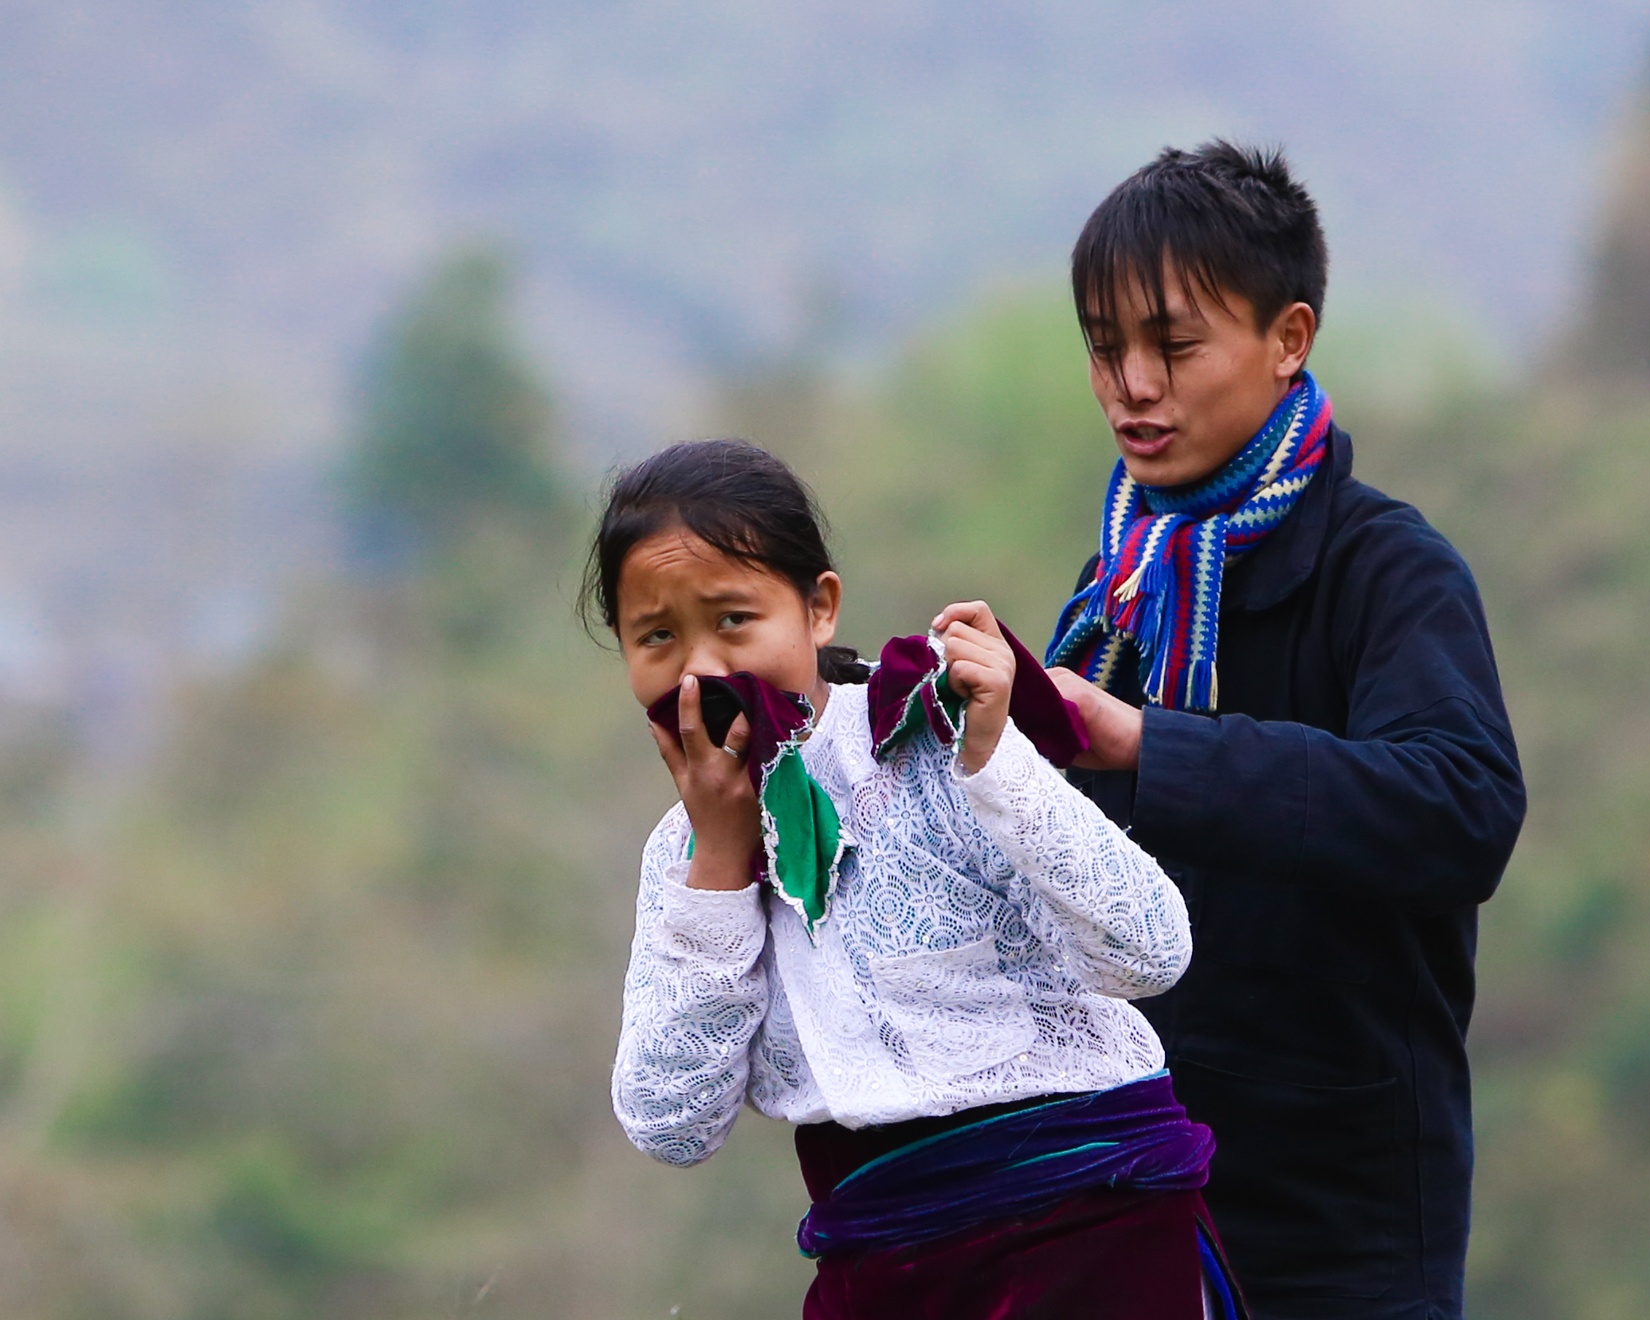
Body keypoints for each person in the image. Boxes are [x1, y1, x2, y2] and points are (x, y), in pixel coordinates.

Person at [589, 439, 1249, 1319]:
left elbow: (1152, 952)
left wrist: (995, 763)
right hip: (884, 1262)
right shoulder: (685, 855)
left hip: (1093, 1231)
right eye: (658, 636)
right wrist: (716, 864)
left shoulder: (937, 740)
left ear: (819, 608)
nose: (701, 668)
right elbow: (671, 1122)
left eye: (734, 620)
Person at [1046, 142, 1527, 1320]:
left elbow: (1460, 809)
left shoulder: (1388, 571)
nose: (1132, 386)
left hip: (1340, 1240)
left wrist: (1147, 746)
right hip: (1123, 1207)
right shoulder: (1114, 596)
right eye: (1107, 349)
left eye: (1174, 344)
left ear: (1289, 337)